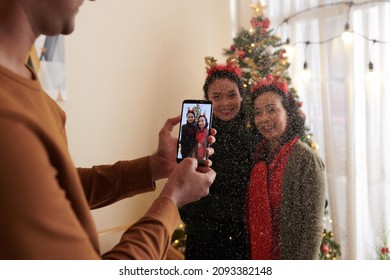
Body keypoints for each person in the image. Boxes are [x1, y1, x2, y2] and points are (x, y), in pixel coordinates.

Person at [0, 0, 216, 260]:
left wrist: (155, 166)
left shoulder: (31, 94)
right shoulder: (9, 119)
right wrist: (171, 200)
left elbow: (57, 189)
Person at [179, 57, 258, 259]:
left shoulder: (255, 136)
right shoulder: (197, 136)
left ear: (242, 97)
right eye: (217, 96)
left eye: (232, 95)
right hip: (204, 243)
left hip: (245, 243)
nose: (225, 103)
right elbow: (185, 199)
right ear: (207, 100)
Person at [247, 74, 326, 260]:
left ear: (288, 113)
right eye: (258, 112)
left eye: (271, 110)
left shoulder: (306, 159)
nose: (264, 118)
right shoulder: (258, 156)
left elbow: (312, 226)